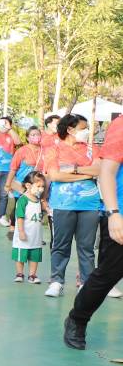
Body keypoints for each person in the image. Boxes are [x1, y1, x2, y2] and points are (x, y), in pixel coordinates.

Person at [65, 118, 123, 347]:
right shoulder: (121, 125)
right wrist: (114, 213)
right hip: (121, 212)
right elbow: (106, 172)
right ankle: (77, 319)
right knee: (109, 274)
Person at [42, 114, 102, 299]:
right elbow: (55, 175)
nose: (87, 132)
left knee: (86, 247)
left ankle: (85, 283)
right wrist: (87, 174)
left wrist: (74, 170)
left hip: (90, 204)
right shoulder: (53, 149)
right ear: (70, 129)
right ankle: (56, 281)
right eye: (83, 128)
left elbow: (99, 170)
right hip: (63, 204)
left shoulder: (92, 149)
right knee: (61, 244)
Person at [11, 173, 48, 284]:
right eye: (38, 186)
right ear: (28, 185)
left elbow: (42, 211)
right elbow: (20, 217)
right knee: (21, 255)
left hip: (35, 236)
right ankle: (19, 273)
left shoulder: (38, 200)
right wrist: (21, 231)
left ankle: (32, 275)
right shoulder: (23, 200)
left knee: (34, 256)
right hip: (24, 235)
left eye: (42, 186)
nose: (41, 189)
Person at [8, 125, 45, 199]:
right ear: (27, 138)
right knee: (22, 205)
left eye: (38, 134)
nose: (36, 136)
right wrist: (8, 184)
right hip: (22, 187)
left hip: (38, 188)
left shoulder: (45, 150)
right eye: (33, 135)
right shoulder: (22, 151)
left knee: (36, 205)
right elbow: (13, 168)